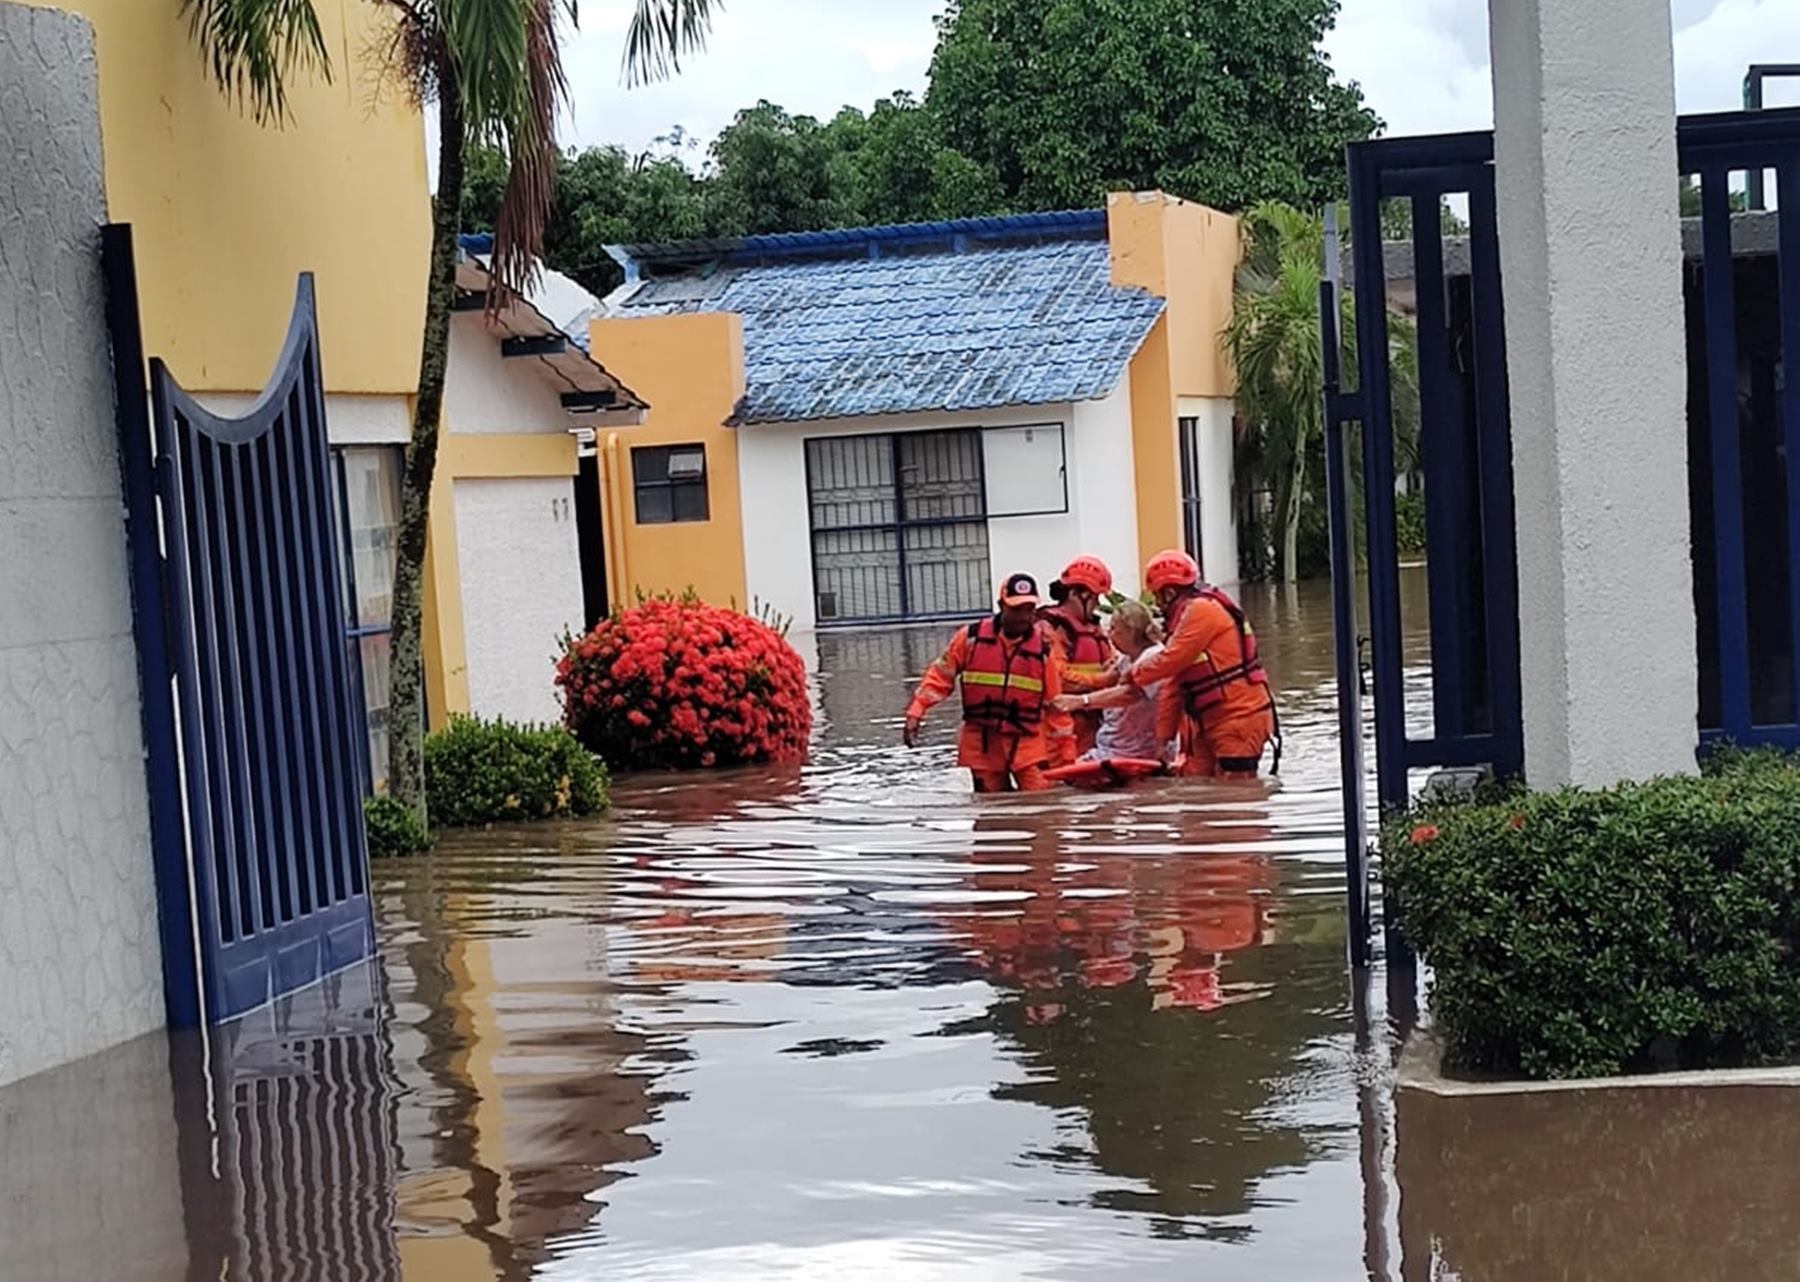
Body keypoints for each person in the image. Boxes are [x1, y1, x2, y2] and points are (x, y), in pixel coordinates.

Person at [903, 573, 1063, 793]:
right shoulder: (969, 639)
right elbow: (939, 677)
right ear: (1001, 606)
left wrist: (1066, 758)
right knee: (989, 811)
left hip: (1028, 742)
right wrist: (916, 712)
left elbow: (1057, 706)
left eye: (1029, 609)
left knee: (1043, 806)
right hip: (983, 742)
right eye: (1016, 609)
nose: (1024, 617)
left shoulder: (1043, 649)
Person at [1128, 549, 1277, 778]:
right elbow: (1173, 685)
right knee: (1195, 785)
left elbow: (1170, 661)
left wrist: (1132, 674)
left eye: (1157, 596)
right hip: (1207, 720)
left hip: (1238, 715)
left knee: (1240, 796)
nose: (1157, 604)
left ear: (1169, 592)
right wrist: (1162, 740)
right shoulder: (1187, 617)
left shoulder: (1202, 610)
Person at [1050, 599, 1173, 764]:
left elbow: (1129, 694)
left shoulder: (1154, 658)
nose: (1109, 634)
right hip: (1115, 747)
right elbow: (1105, 679)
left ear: (1131, 631)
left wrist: (1081, 701)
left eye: (1115, 629)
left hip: (1137, 752)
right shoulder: (1126, 659)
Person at [1037, 555, 1117, 765]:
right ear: (1075, 593)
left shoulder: (1094, 629)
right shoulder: (1049, 628)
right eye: (1094, 598)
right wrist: (1104, 679)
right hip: (1058, 730)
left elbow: (1112, 666)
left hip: (1091, 724)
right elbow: (1057, 678)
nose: (1097, 605)